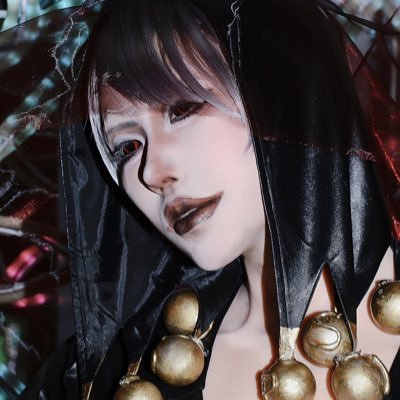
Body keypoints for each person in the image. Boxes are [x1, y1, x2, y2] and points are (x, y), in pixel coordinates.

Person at [8, 0, 400, 398]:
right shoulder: (99, 378)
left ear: (285, 89)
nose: (152, 173)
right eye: (127, 148)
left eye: (183, 109)